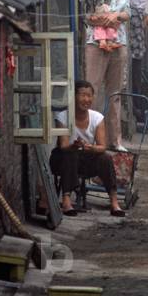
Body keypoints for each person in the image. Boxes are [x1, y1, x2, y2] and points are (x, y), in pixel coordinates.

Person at [50, 81, 125, 217]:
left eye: (89, 96)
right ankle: (66, 200)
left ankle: (114, 202)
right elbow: (63, 145)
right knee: (70, 154)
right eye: (82, 95)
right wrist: (75, 146)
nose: (86, 99)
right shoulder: (63, 116)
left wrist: (90, 147)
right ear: (74, 97)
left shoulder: (97, 118)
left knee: (106, 158)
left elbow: (102, 147)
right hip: (63, 160)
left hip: (86, 159)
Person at [84, 0, 130, 149]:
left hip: (119, 42)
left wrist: (116, 16)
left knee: (115, 93)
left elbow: (127, 13)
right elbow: (86, 15)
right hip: (95, 43)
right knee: (91, 91)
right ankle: (90, 138)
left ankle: (115, 141)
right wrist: (104, 19)